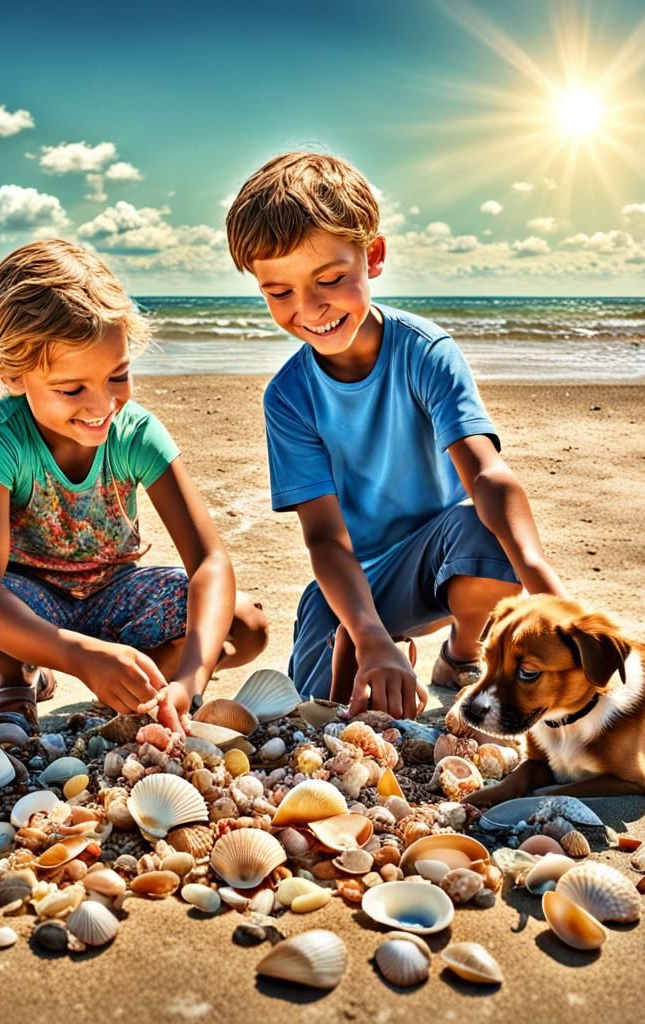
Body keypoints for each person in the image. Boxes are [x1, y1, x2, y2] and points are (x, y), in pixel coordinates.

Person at [224, 152, 564, 720]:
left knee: (479, 525)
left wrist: (545, 584)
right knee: (317, 709)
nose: (309, 309)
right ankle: (383, 646)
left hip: (442, 561)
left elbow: (485, 474)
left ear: (373, 256)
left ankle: (459, 653)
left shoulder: (425, 353)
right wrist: (368, 633)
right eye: (278, 292)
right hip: (352, 584)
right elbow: (327, 541)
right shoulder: (288, 397)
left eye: (330, 280)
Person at [0, 239, 268, 736]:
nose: (102, 404)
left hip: (117, 596)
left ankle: (144, 680)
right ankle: (16, 675)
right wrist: (76, 653)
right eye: (72, 389)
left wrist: (192, 677)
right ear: (14, 375)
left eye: (118, 375)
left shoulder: (136, 433)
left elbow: (210, 563)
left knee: (246, 624)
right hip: (30, 605)